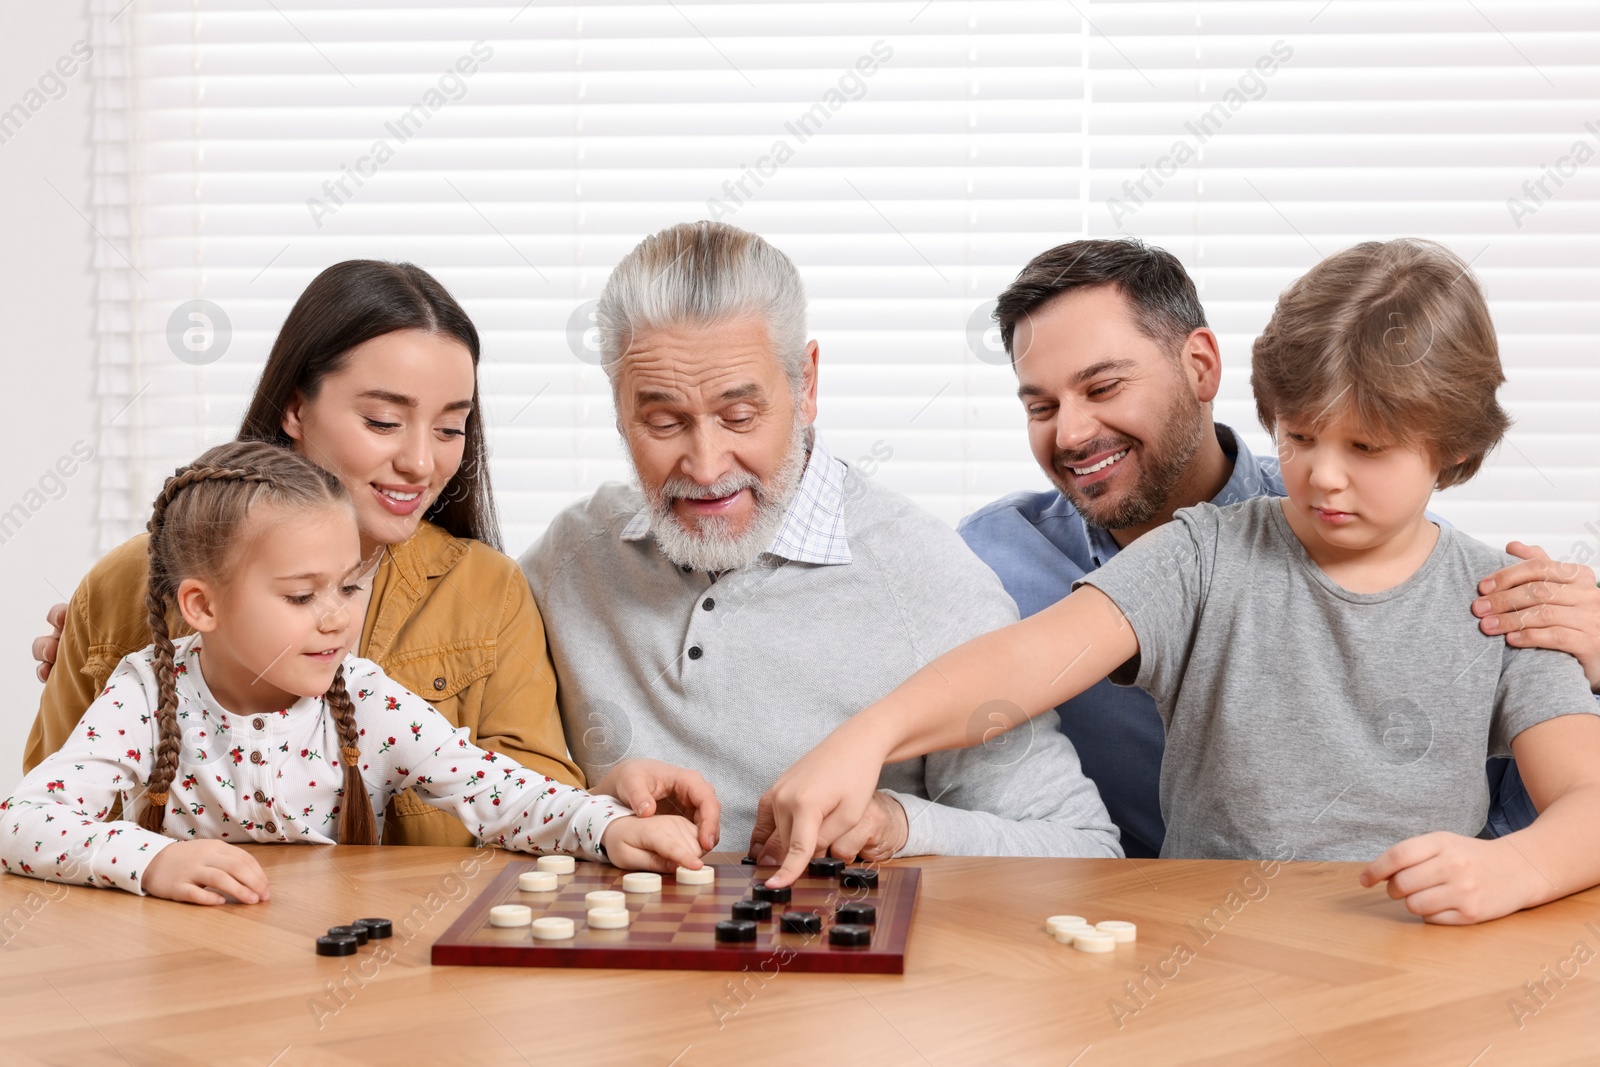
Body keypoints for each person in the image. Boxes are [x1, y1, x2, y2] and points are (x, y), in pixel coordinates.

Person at [754, 239, 1600, 925]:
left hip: (1416, 954)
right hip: (1205, 950)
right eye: (1301, 437)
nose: (1324, 477)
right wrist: (865, 737)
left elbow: (1588, 797)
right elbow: (1022, 660)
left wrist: (1512, 866)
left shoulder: (1507, 597)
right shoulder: (1201, 550)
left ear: (1453, 447)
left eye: (1367, 448)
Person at [955, 238, 1600, 857]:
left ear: (1200, 366)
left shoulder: (1447, 580)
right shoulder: (986, 561)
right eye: (1041, 407)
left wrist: (1589, 667)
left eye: (1103, 388)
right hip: (1125, 926)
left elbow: (1534, 809)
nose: (1070, 433)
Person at [522, 220, 1121, 862]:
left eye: (739, 416)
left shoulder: (925, 579)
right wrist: (587, 804)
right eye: (663, 421)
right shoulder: (569, 557)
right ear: (618, 408)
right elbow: (470, 775)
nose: (704, 465)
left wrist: (901, 825)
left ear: (806, 384)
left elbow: (1083, 853)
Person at [24, 261, 583, 848]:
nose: (422, 463)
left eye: (450, 429)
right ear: (294, 408)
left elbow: (531, 807)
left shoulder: (487, 592)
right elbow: (44, 815)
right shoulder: (125, 585)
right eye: (384, 421)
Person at [0, 443, 702, 905]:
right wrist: (151, 861)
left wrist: (606, 827)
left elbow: (497, 790)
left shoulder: (364, 699)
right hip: (172, 975)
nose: (336, 619)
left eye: (350, 586)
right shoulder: (147, 693)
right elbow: (22, 822)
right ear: (202, 605)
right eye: (302, 596)